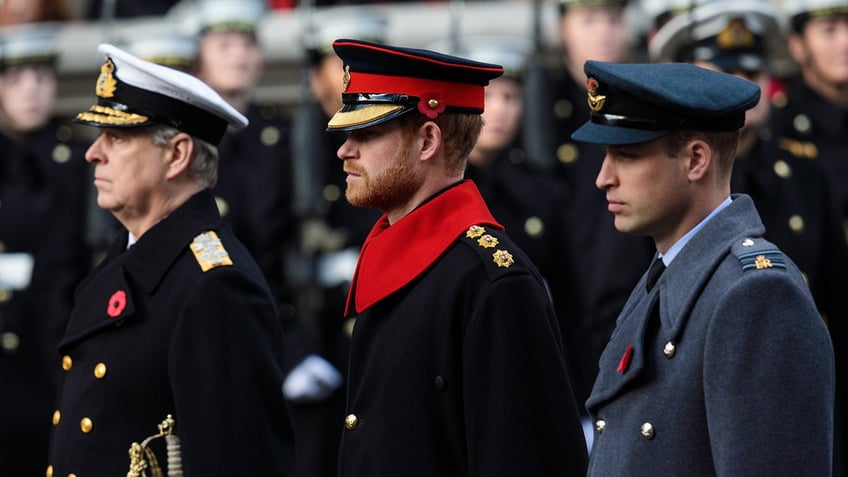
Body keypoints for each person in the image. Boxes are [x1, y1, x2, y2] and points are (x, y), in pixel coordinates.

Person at [327, 38, 588, 476]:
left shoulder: (492, 283)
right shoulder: (401, 256)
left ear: (428, 140)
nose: (345, 150)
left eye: (367, 134)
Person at [572, 60, 834, 475]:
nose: (603, 178)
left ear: (696, 160)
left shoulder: (756, 296)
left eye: (626, 155)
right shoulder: (670, 274)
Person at [45, 43, 293, 476]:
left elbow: (236, 460)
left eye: (117, 137)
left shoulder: (215, 286)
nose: (93, 153)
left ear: (177, 155)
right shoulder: (129, 258)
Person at [650, 4, 848, 474]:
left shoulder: (803, 169)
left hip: (803, 386)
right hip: (693, 399)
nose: (745, 84)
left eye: (753, 70)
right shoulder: (668, 176)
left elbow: (837, 297)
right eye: (726, 70)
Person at [530, 0, 655, 435]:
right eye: (589, 19)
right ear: (561, 27)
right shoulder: (536, 108)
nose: (604, 32)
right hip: (562, 333)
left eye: (613, 19)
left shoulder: (648, 108)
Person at [283, 11, 387, 477]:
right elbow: (267, 257)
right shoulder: (291, 150)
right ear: (316, 76)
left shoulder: (394, 146)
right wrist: (293, 351)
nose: (356, 80)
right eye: (343, 65)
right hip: (317, 346)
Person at [0, 22, 90, 476]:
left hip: (49, 346)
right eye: (15, 79)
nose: (31, 90)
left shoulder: (74, 162)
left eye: (41, 77)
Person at [179, 0, 296, 311]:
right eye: (224, 46)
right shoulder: (185, 139)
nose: (239, 57)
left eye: (247, 45)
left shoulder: (280, 136)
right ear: (199, 58)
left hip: (273, 305)